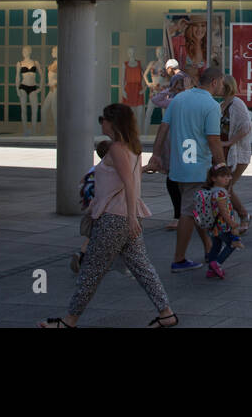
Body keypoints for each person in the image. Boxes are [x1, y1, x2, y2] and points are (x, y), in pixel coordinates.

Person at [39, 104, 177, 328]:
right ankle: (166, 313)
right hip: (125, 217)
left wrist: (131, 217)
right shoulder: (133, 148)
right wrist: (133, 215)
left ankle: (69, 321)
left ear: (112, 122)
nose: (100, 122)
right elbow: (128, 179)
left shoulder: (116, 148)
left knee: (91, 271)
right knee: (142, 268)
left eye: (102, 118)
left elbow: (129, 184)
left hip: (114, 218)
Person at [146, 67, 226, 272]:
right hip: (198, 166)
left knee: (195, 208)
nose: (223, 87)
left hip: (179, 165)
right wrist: (221, 165)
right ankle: (179, 259)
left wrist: (155, 155)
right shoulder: (211, 105)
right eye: (222, 83)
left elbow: (163, 128)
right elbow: (213, 139)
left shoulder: (179, 100)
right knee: (189, 212)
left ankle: (209, 249)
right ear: (215, 82)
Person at [147, 72, 189, 230]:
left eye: (181, 84)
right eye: (177, 83)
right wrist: (169, 89)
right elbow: (155, 100)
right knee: (172, 178)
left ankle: (184, 215)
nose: (180, 87)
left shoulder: (189, 100)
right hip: (171, 143)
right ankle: (178, 215)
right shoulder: (172, 101)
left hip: (185, 143)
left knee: (186, 181)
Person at [195, 164, 243, 279]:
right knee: (232, 244)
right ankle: (217, 264)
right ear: (213, 178)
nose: (227, 179)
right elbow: (223, 210)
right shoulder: (220, 193)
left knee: (216, 246)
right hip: (223, 225)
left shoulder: (211, 191)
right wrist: (231, 223)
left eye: (228, 176)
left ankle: (211, 270)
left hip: (213, 226)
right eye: (223, 176)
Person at [72, 139, 113, 273]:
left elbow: (82, 182)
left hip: (91, 205)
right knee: (102, 234)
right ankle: (94, 261)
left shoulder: (94, 168)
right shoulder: (108, 169)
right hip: (103, 206)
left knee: (94, 234)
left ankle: (81, 255)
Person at [218, 75, 252, 232]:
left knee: (227, 186)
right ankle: (234, 217)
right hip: (226, 152)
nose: (217, 87)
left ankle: (243, 216)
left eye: (220, 84)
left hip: (238, 153)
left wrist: (230, 141)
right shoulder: (222, 105)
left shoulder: (236, 103)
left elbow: (246, 126)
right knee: (225, 187)